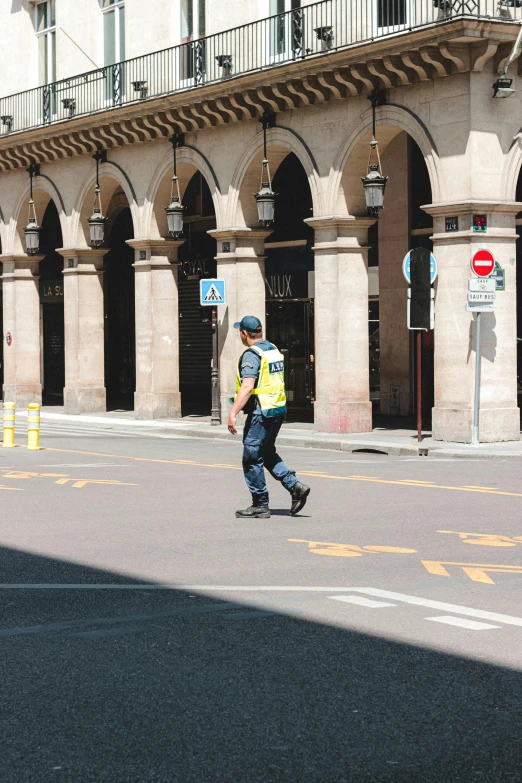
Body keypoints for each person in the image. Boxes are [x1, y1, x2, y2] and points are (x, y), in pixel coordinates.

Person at [228, 315, 310, 519]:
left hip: (261, 412)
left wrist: (233, 412)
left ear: (244, 334)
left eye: (240, 332)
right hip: (277, 409)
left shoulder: (252, 355)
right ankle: (295, 486)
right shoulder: (271, 349)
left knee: (251, 456)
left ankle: (260, 504)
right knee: (266, 452)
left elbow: (248, 386)